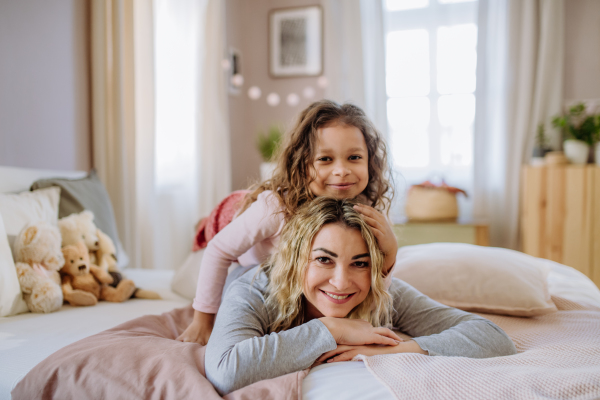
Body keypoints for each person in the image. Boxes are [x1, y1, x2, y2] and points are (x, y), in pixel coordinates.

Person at [205, 197, 518, 395]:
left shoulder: (380, 292)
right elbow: (225, 371)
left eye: (360, 263)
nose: (341, 283)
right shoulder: (253, 289)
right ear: (296, 260)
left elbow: (492, 337)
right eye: (324, 259)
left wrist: (400, 350)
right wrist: (331, 329)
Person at [177, 100, 398, 345]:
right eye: (325, 159)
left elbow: (372, 284)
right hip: (236, 235)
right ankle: (202, 224)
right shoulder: (276, 207)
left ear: (370, 162)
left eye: (354, 157)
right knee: (199, 268)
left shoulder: (366, 210)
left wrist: (389, 253)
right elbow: (219, 250)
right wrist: (202, 321)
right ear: (302, 164)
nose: (342, 170)